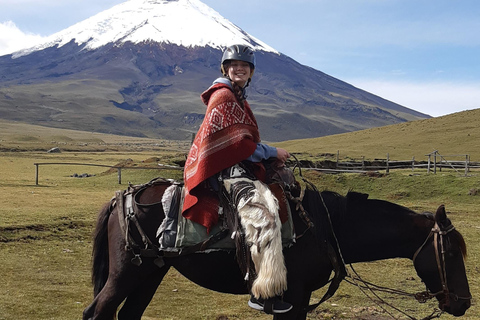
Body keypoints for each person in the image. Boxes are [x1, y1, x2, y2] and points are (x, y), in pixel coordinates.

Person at [181, 44, 292, 314]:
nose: (239, 68)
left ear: (251, 72)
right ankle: (261, 292)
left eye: (245, 65)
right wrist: (271, 151)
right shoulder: (224, 97)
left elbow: (241, 142)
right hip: (224, 171)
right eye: (234, 65)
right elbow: (234, 146)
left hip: (236, 167)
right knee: (263, 216)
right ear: (225, 69)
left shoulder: (237, 96)